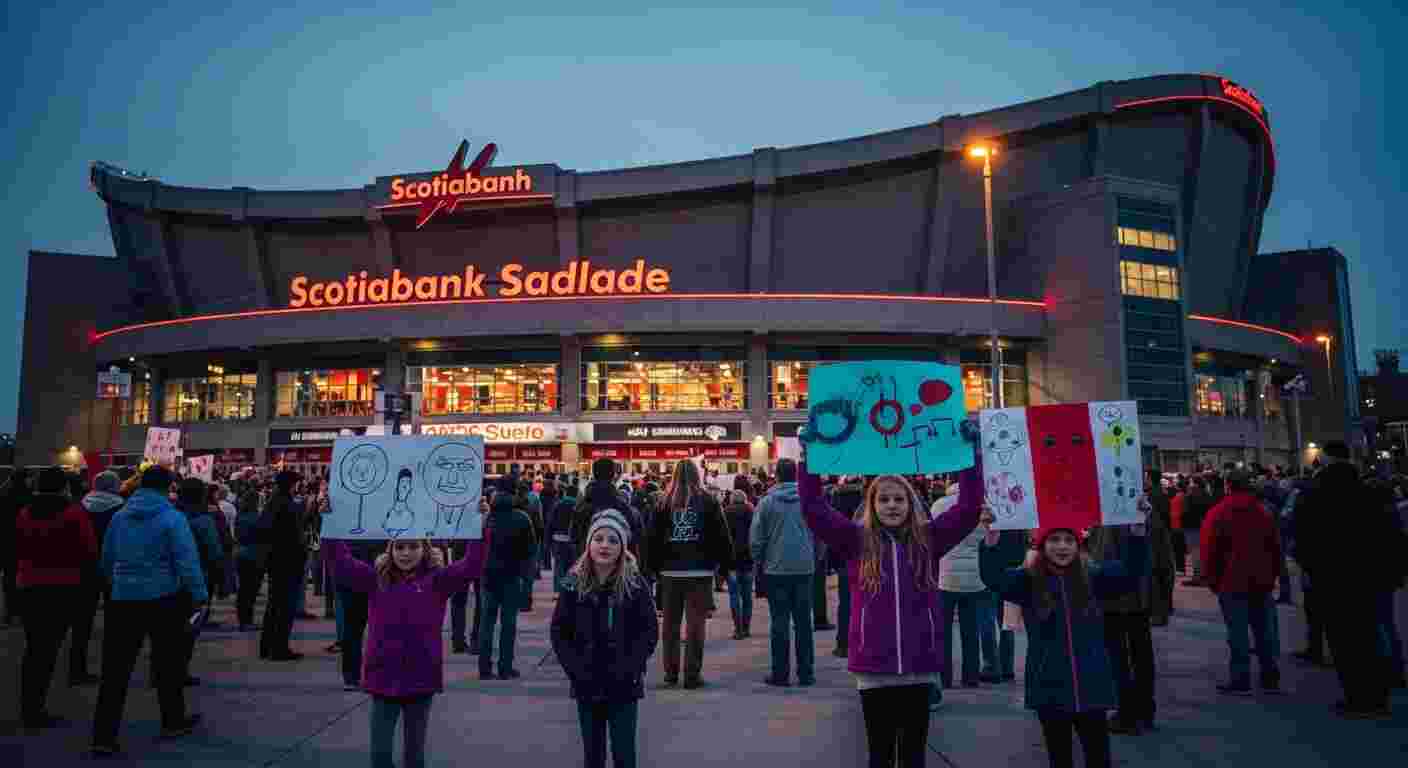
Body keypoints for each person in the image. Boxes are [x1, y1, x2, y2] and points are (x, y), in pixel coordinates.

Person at [799, 439, 982, 768]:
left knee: (913, 753)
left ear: (911, 504)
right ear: (873, 504)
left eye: (899, 499)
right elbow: (814, 508)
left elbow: (968, 509)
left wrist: (972, 456)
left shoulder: (930, 538)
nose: (892, 505)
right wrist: (808, 457)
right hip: (874, 668)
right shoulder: (856, 539)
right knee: (879, 753)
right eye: (884, 499)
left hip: (919, 666)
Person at [981, 513, 1149, 768]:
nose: (1062, 546)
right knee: (1059, 757)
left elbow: (1131, 573)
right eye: (1055, 540)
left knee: (1099, 756)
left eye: (1068, 540)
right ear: (1042, 545)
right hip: (1049, 685)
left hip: (1091, 683)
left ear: (1078, 545)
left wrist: (1137, 534)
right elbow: (993, 578)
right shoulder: (1027, 580)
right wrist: (991, 542)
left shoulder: (1094, 577)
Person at [327, 533, 485, 768]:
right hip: (382, 676)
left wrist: (479, 527)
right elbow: (341, 564)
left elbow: (472, 565)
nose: (406, 553)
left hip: (421, 677)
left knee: (414, 756)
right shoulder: (375, 579)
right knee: (379, 757)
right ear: (390, 550)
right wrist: (330, 524)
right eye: (400, 547)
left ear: (425, 549)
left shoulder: (438, 581)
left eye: (413, 547)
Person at [91, 465, 207, 756]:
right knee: (168, 663)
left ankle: (104, 735)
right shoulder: (172, 518)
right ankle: (172, 719)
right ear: (167, 487)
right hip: (163, 597)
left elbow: (107, 557)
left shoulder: (119, 517)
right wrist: (199, 594)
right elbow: (186, 560)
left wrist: (114, 583)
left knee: (115, 670)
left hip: (123, 598)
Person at [1293, 440, 1404, 718]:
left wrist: (1311, 569)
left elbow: (1305, 538)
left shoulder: (1315, 495)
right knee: (1370, 637)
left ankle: (1358, 697)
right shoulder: (1370, 494)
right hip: (1369, 578)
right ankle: (1378, 696)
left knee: (1346, 642)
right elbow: (1392, 537)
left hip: (1334, 580)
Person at [551, 510, 658, 768]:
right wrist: (575, 669)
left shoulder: (634, 584)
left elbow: (648, 632)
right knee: (593, 753)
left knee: (624, 753)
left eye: (613, 540)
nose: (605, 546)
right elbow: (559, 632)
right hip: (586, 682)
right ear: (589, 544)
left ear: (622, 547)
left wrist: (632, 667)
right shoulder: (573, 583)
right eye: (599, 539)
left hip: (624, 683)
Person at [1085, 482, 1173, 734]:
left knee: (1119, 658)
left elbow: (1100, 559)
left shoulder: (1110, 519)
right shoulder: (1149, 515)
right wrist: (1164, 599)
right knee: (1142, 656)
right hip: (1142, 599)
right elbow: (1164, 559)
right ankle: (1144, 711)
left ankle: (1127, 713)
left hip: (1116, 599)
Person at [15, 467, 99, 728]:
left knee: (34, 649)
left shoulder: (25, 514)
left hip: (29, 586)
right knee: (48, 649)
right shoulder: (74, 514)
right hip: (64, 587)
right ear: (64, 487)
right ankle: (35, 710)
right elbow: (89, 551)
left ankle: (29, 705)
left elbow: (16, 546)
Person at [648, 458, 733, 689]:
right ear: (697, 475)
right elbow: (721, 536)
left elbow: (652, 539)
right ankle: (692, 675)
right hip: (700, 571)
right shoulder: (708, 501)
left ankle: (671, 672)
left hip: (670, 572)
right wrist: (723, 567)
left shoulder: (662, 502)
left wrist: (653, 569)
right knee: (696, 625)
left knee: (670, 626)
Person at [1200, 468, 1283, 696]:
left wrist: (1213, 580)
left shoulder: (1218, 512)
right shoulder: (1263, 512)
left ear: (1228, 486)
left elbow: (1210, 550)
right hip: (1261, 581)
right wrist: (1273, 574)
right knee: (1265, 631)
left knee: (1237, 633)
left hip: (1231, 581)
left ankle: (1240, 678)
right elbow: (1276, 547)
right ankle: (1270, 674)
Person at [750, 458, 816, 686]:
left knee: (779, 621)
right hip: (804, 568)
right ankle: (806, 672)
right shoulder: (808, 501)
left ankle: (780, 673)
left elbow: (756, 538)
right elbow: (821, 531)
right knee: (804, 622)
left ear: (776, 475)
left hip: (775, 569)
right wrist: (814, 556)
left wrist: (759, 559)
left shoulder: (766, 502)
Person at [72, 470, 127, 686]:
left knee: (82, 622)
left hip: (84, 569)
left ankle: (77, 668)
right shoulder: (121, 509)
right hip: (114, 568)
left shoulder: (79, 507)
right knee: (115, 622)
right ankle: (112, 669)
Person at [934, 483, 991, 688]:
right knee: (970, 630)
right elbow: (988, 540)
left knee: (943, 632)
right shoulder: (982, 507)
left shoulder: (940, 504)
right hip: (973, 578)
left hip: (945, 576)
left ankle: (945, 677)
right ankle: (971, 676)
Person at [480, 493, 537, 679]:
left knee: (486, 623)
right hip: (511, 576)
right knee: (508, 624)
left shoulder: (488, 519)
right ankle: (505, 666)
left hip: (488, 575)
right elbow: (531, 549)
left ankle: (484, 667)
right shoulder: (521, 518)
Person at [259, 471, 306, 661]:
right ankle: (279, 648)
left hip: (275, 561)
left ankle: (267, 646)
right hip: (287, 562)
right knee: (284, 607)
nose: (298, 487)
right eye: (296, 483)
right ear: (290, 484)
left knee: (273, 605)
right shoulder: (287, 505)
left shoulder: (272, 502)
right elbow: (295, 536)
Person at [828, 476, 865, 658]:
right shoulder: (864, 497)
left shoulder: (836, 498)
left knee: (845, 603)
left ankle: (843, 644)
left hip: (844, 556)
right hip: (865, 554)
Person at [724, 489, 755, 639]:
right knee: (747, 595)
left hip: (731, 560)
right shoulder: (751, 511)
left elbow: (722, 537)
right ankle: (747, 627)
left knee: (734, 595)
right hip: (748, 558)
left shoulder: (726, 512)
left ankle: (738, 628)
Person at [234, 481, 264, 631]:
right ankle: (247, 621)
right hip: (254, 556)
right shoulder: (257, 518)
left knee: (243, 590)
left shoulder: (240, 516)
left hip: (240, 553)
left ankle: (243, 620)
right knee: (251, 591)